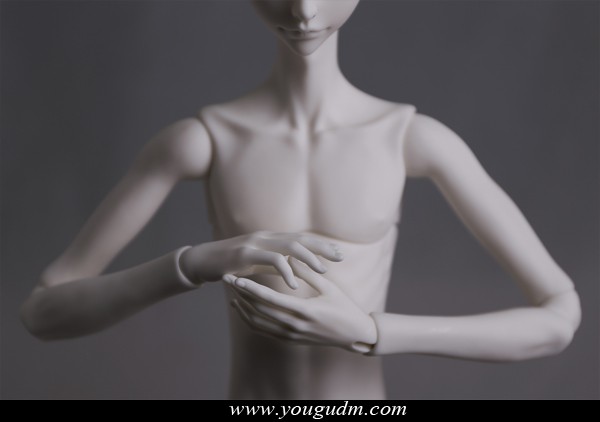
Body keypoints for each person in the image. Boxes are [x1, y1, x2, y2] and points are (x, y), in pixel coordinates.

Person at [19, 0, 581, 399]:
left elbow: (559, 315)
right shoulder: (203, 141)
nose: (305, 10)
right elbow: (43, 312)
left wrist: (374, 333)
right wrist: (193, 264)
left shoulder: (411, 139)